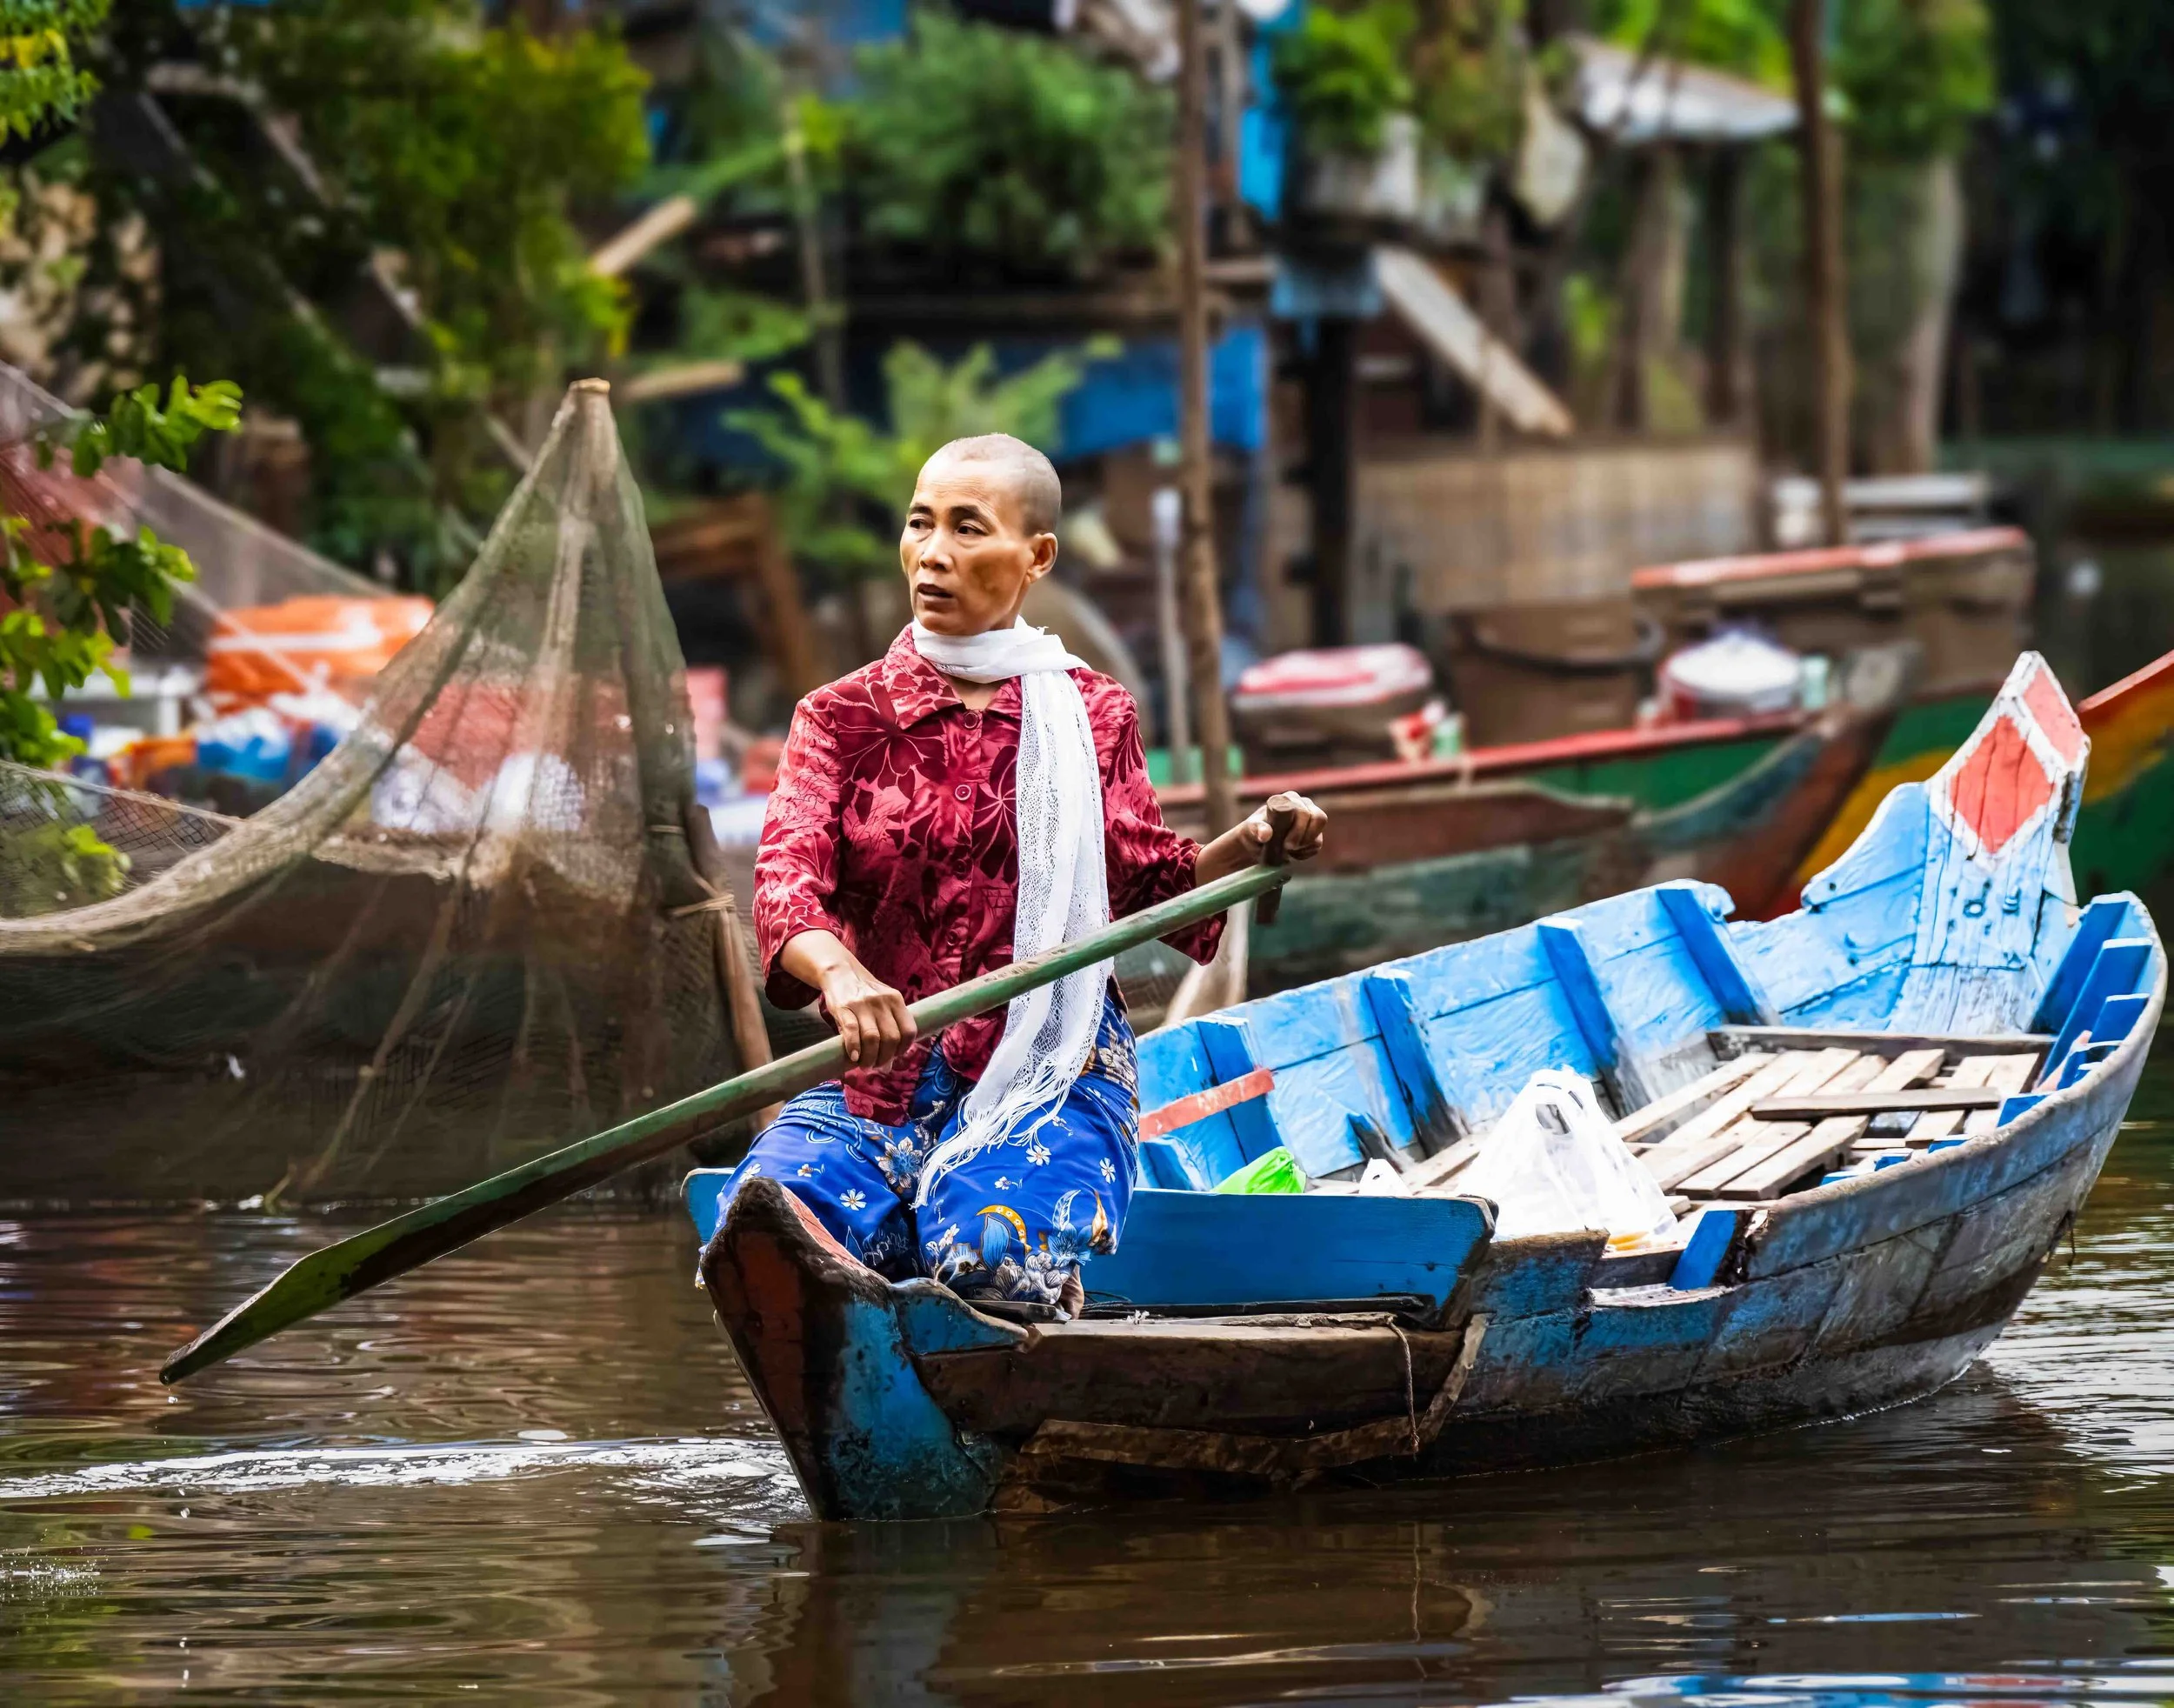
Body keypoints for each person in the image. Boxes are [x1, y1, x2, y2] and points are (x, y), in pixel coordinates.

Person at [729, 431, 1326, 1316]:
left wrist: (1253, 839)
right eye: (919, 524)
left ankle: (1002, 1274)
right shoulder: (840, 718)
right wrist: (843, 973)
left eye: (968, 529)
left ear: (1036, 555)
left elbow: (1149, 894)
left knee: (986, 1256)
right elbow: (787, 880)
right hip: (885, 1080)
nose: (932, 553)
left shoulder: (1090, 711)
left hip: (1054, 1065)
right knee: (765, 1226)